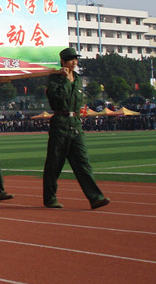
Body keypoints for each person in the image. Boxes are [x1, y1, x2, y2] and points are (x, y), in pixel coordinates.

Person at [43, 48, 110, 210]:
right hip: (60, 122)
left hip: (76, 123)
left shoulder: (78, 79)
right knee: (54, 163)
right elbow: (57, 98)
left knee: (83, 162)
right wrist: (65, 80)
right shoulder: (55, 79)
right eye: (71, 59)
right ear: (63, 62)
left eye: (75, 59)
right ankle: (50, 197)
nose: (74, 62)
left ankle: (95, 197)